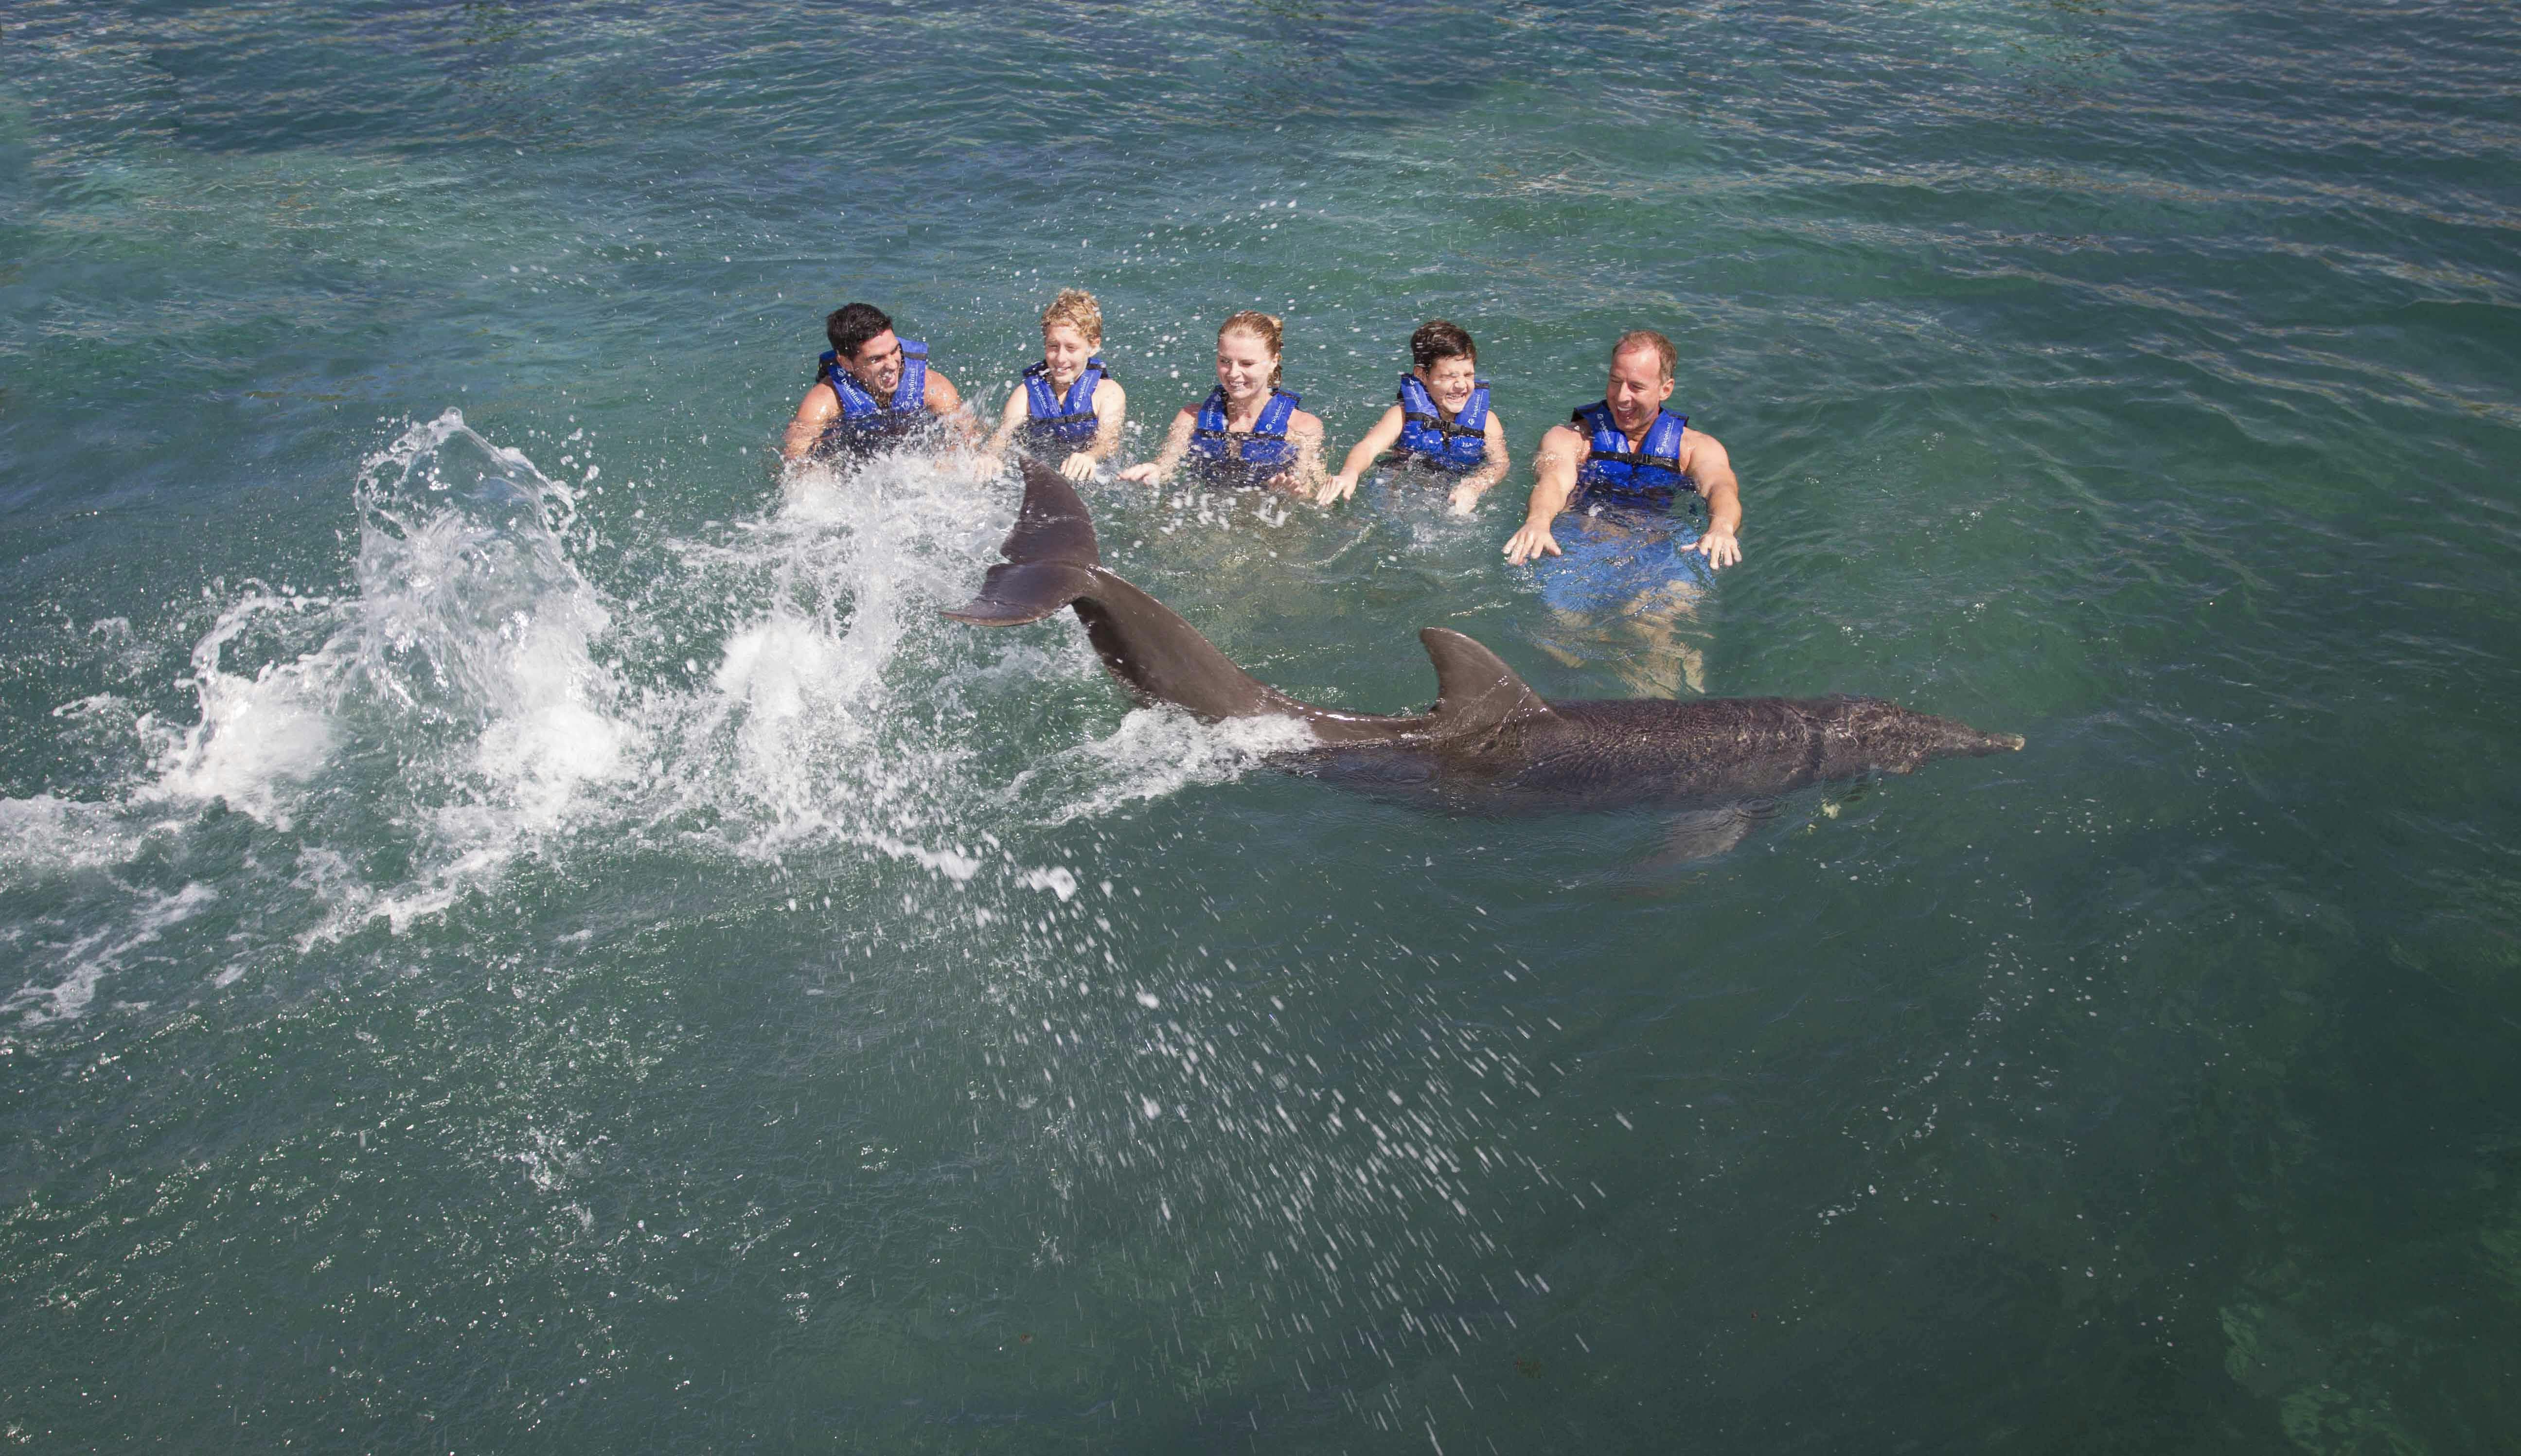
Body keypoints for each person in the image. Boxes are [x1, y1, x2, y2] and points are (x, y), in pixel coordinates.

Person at [1502, 330, 1742, 697]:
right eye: (1615, 382)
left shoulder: (1694, 447)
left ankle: (1667, 727)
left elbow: (1721, 487)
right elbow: (1553, 480)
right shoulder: (1572, 439)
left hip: (1662, 549)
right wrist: (1539, 520)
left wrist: (1721, 527)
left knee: (1658, 634)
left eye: (1636, 386)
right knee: (1563, 636)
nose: (1622, 397)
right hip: (1583, 543)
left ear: (1666, 389)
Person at [1118, 312, 1325, 493]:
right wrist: (1155, 471)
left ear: (1273, 361)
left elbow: (1313, 490)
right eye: (1225, 361)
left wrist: (1293, 495)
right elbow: (1166, 467)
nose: (1233, 374)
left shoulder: (1302, 428)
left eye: (1247, 363)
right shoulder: (1191, 418)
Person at [1316, 320, 1509, 514]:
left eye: (1468, 375)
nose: (1461, 385)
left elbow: (1499, 464)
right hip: (1405, 490)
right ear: (1422, 375)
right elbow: (1369, 447)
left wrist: (1475, 485)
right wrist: (1350, 473)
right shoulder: (1401, 416)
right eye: (1449, 377)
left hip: (1459, 489)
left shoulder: (1487, 421)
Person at [779, 302, 973, 462]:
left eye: (895, 351)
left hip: (914, 456)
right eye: (876, 359)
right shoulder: (825, 400)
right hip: (853, 455)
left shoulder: (933, 388)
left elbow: (969, 435)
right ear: (846, 363)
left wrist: (953, 457)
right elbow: (794, 457)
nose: (891, 365)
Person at [984, 289, 1127, 480]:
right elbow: (1001, 437)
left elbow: (1109, 442)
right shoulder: (1026, 393)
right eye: (1053, 346)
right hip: (1041, 475)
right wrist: (990, 457)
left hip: (1092, 473)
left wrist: (1090, 456)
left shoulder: (1108, 393)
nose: (1061, 358)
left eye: (1071, 348)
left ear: (1093, 346)